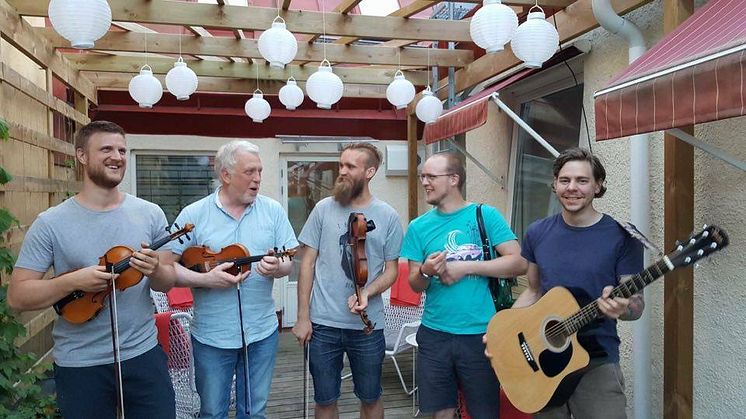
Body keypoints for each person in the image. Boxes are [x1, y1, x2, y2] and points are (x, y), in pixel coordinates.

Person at [7, 120, 177, 418]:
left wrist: (155, 270)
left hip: (143, 354)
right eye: (107, 149)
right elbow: (17, 297)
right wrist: (74, 281)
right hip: (80, 363)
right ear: (81, 155)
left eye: (122, 150)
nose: (118, 156)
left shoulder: (150, 213)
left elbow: (166, 282)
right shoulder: (50, 222)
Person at [164, 140, 298, 419]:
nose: (258, 179)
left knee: (254, 412)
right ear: (225, 174)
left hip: (262, 333)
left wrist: (277, 267)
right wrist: (206, 280)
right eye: (250, 171)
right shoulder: (193, 214)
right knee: (213, 413)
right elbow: (166, 269)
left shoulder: (272, 210)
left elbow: (288, 260)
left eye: (260, 171)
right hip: (212, 336)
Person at [512, 147, 644, 419]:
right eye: (564, 180)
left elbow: (636, 305)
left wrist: (622, 308)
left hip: (597, 361)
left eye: (582, 181)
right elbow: (534, 291)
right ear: (555, 184)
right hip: (543, 359)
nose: (572, 188)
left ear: (598, 186)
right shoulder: (537, 232)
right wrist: (506, 333)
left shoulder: (623, 237)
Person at [400, 151, 527, 419]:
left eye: (432, 176)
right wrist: (425, 270)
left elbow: (519, 262)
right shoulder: (418, 227)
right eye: (423, 176)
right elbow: (415, 284)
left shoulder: (485, 215)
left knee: (484, 412)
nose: (425, 182)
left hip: (480, 334)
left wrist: (466, 267)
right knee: (441, 413)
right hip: (435, 334)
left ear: (454, 179)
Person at [292, 142, 403, 419]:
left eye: (350, 166)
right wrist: (303, 317)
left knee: (370, 397)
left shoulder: (387, 215)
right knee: (325, 400)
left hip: (367, 326)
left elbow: (391, 271)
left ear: (370, 172)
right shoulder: (322, 209)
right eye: (341, 165)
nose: (342, 171)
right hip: (323, 325)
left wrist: (368, 291)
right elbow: (307, 263)